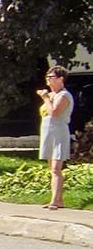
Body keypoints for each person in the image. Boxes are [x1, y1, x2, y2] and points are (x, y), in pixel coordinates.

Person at [37, 65, 74, 210]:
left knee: (56, 168)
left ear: (61, 79)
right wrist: (47, 97)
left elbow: (54, 113)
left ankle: (55, 201)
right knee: (51, 168)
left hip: (59, 132)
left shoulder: (64, 96)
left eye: (51, 77)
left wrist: (45, 98)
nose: (48, 80)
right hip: (48, 132)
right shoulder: (52, 95)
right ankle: (57, 199)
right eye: (47, 77)